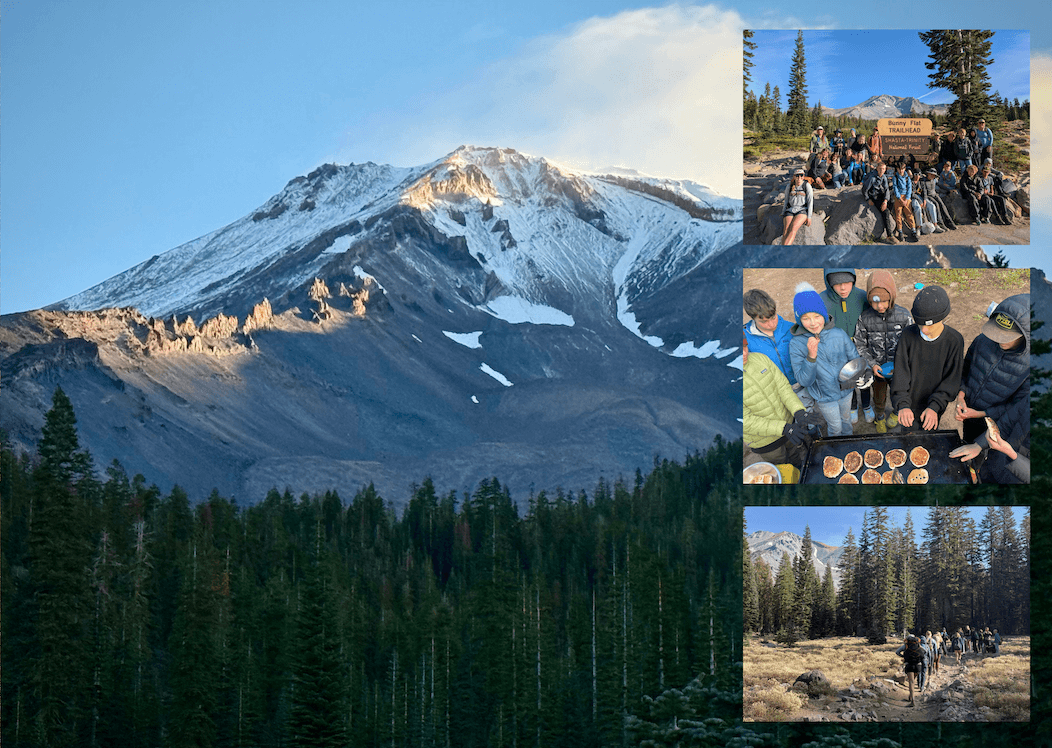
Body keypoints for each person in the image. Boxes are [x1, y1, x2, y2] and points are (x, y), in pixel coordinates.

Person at [891, 285, 964, 432]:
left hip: (934, 405)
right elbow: (900, 373)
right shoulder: (907, 335)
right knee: (908, 436)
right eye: (920, 324)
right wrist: (903, 403)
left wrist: (935, 406)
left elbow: (952, 380)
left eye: (930, 325)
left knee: (928, 437)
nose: (924, 329)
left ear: (944, 317)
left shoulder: (955, 340)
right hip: (909, 403)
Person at [789, 283, 859, 437]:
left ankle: (849, 444)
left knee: (846, 420)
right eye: (806, 318)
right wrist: (811, 357)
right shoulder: (796, 344)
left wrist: (862, 373)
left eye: (817, 316)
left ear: (824, 315)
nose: (813, 323)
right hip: (824, 397)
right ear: (799, 320)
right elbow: (804, 380)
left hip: (846, 390)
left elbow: (854, 358)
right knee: (835, 427)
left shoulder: (839, 334)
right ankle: (836, 450)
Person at [743, 335, 815, 470]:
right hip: (765, 441)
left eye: (745, 346)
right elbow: (745, 421)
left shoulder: (759, 358)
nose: (744, 353)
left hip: (789, 425)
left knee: (795, 455)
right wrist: (782, 428)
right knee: (781, 467)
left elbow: (783, 387)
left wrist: (798, 410)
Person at [854, 270, 913, 433]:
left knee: (900, 393)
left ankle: (895, 412)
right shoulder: (865, 318)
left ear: (892, 297)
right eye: (874, 302)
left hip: (899, 369)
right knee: (878, 396)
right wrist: (872, 364)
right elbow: (860, 345)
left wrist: (902, 364)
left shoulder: (904, 316)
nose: (880, 306)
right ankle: (879, 416)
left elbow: (912, 344)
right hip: (877, 369)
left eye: (884, 301)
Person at [743, 288, 813, 409]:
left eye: (773, 317)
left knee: (808, 414)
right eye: (764, 321)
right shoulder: (745, 338)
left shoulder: (791, 328)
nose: (771, 324)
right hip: (774, 393)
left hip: (800, 385)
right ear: (752, 318)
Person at [821, 269, 870, 423]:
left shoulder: (862, 296)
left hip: (860, 346)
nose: (843, 288)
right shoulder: (822, 300)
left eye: (847, 283)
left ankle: (867, 405)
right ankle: (853, 406)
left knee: (864, 377)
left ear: (854, 280)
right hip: (838, 350)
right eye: (837, 284)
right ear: (829, 283)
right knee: (847, 378)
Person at [863, 161, 896, 243]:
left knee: (892, 200)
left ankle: (888, 213)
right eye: (880, 169)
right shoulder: (872, 178)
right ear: (877, 168)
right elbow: (864, 189)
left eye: (884, 169)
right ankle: (889, 235)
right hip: (874, 196)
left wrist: (885, 201)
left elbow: (886, 190)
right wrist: (867, 199)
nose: (882, 170)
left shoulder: (884, 177)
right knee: (885, 212)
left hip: (881, 195)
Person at [780, 169, 813, 245]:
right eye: (797, 176)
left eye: (801, 175)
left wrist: (809, 216)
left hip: (802, 209)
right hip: (790, 209)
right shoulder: (790, 186)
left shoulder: (807, 185)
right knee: (785, 230)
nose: (799, 178)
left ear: (803, 177)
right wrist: (783, 211)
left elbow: (810, 202)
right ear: (794, 177)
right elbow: (786, 200)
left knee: (793, 229)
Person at [891, 162, 919, 242]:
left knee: (909, 213)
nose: (901, 171)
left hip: (906, 197)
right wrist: (900, 199)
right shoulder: (895, 177)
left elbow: (909, 189)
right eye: (899, 169)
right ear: (897, 169)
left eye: (902, 169)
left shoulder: (907, 178)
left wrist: (906, 199)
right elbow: (895, 189)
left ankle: (913, 230)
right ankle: (900, 231)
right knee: (898, 214)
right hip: (898, 197)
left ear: (905, 169)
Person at [896, 633, 926, 706]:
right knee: (913, 681)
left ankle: (912, 700)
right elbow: (925, 652)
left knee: (911, 682)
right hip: (918, 665)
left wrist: (903, 656)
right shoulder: (918, 645)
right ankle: (910, 696)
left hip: (909, 665)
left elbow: (897, 652)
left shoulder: (906, 645)